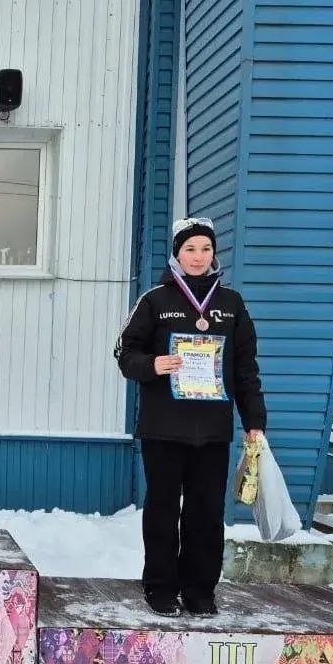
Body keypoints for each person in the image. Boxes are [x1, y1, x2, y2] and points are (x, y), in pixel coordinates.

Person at [113, 217, 266, 616]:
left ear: (214, 254)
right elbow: (124, 354)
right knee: (162, 510)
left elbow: (246, 367)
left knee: (207, 514)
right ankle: (161, 587)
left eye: (206, 249)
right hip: (163, 428)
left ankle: (200, 590)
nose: (198, 257)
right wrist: (154, 364)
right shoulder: (155, 301)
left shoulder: (231, 305)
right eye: (190, 249)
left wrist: (254, 421)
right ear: (177, 255)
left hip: (212, 432)